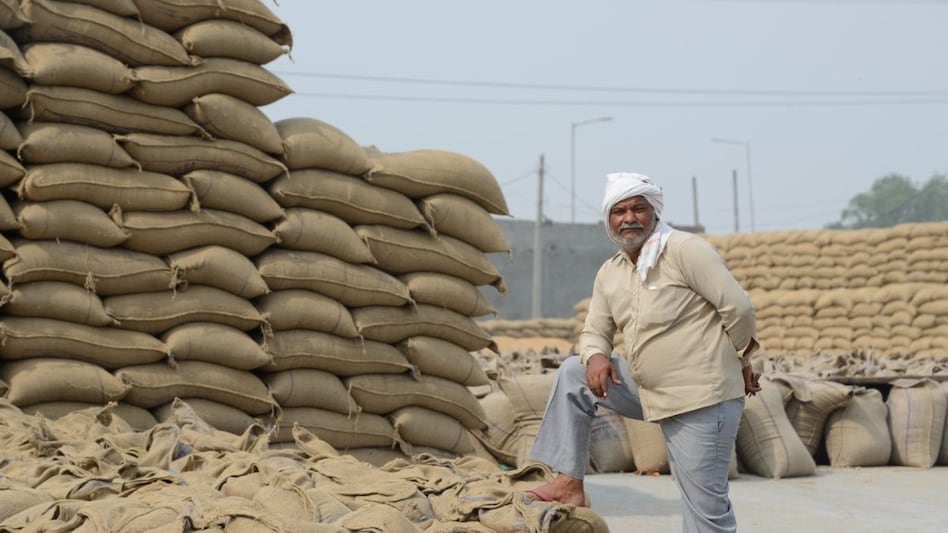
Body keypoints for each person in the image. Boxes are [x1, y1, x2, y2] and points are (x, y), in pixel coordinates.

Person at [524, 172, 761, 533]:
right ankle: (569, 483)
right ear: (608, 220)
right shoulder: (610, 272)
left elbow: (739, 309)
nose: (629, 218)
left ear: (654, 213)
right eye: (619, 211)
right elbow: (594, 330)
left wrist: (741, 360)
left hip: (701, 397)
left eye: (638, 208)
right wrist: (597, 356)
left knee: (704, 512)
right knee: (575, 372)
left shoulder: (684, 250)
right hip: (648, 390)